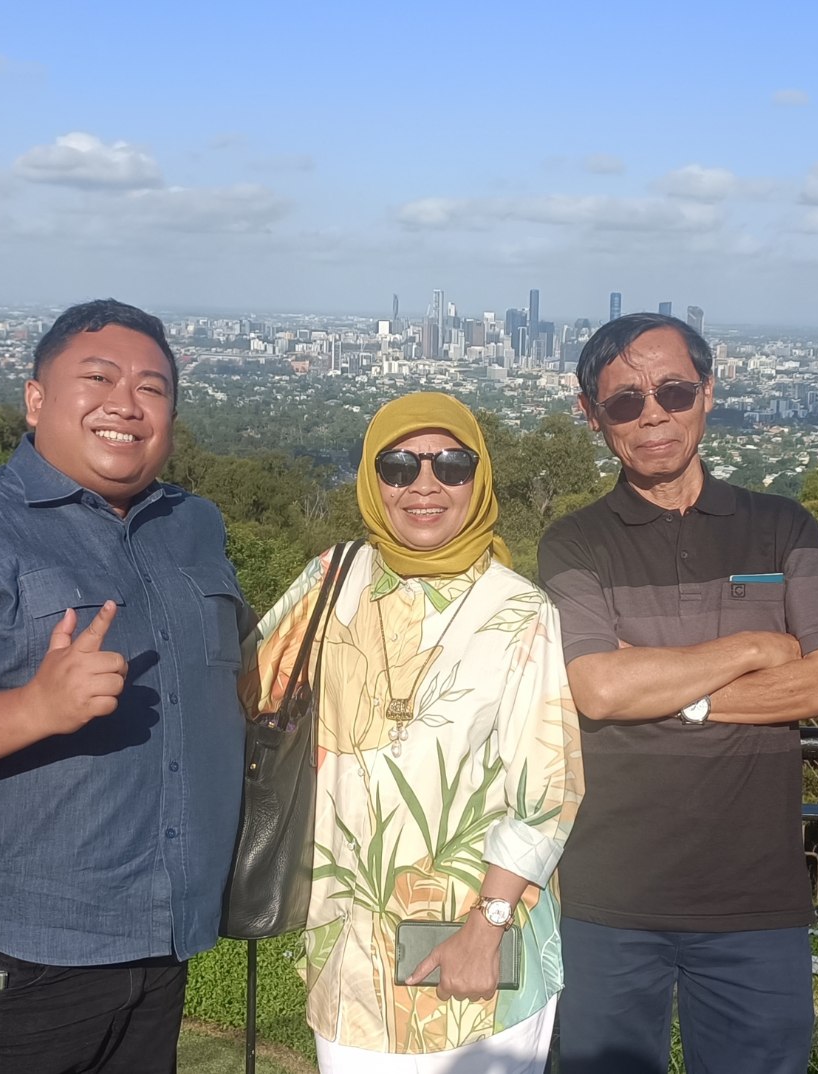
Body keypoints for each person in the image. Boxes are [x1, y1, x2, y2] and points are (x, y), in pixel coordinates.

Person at [0, 299, 248, 1074]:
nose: (125, 404)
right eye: (97, 378)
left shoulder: (193, 526)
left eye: (152, 388)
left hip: (152, 941)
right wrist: (35, 708)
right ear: (35, 400)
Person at [538, 313, 818, 1074]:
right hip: (607, 901)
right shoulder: (574, 542)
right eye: (625, 401)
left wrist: (674, 689)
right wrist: (752, 649)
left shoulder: (784, 527)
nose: (652, 414)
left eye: (674, 392)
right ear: (592, 415)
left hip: (755, 902)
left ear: (708, 393)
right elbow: (600, 689)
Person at [240, 392, 583, 1073]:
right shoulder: (331, 579)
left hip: (479, 945)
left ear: (478, 478)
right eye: (398, 466)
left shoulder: (521, 612)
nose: (424, 485)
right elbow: (248, 691)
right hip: (349, 948)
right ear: (374, 480)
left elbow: (548, 790)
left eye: (451, 465)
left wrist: (486, 928)